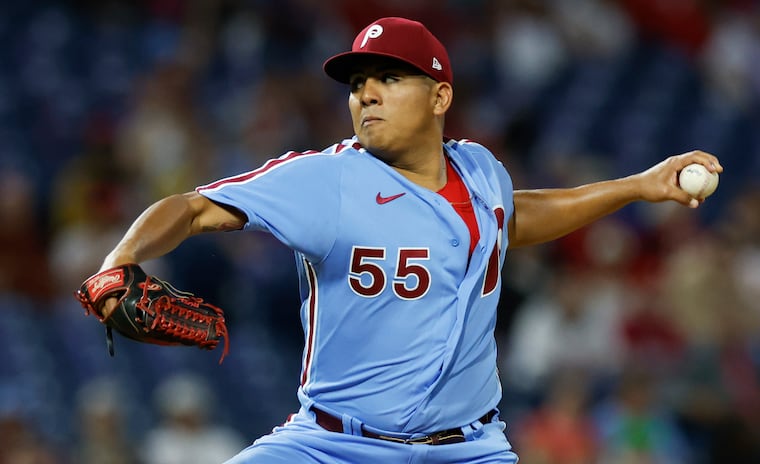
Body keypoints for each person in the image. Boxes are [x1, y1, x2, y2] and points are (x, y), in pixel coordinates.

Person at [90, 16, 722, 464]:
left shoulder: (481, 171)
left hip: (470, 448)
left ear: (440, 94)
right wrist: (120, 262)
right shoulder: (326, 178)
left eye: (390, 77)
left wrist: (638, 186)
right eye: (358, 81)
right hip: (332, 445)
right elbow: (193, 208)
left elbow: (517, 217)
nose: (365, 92)